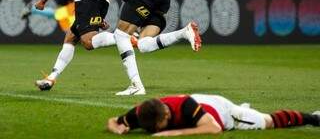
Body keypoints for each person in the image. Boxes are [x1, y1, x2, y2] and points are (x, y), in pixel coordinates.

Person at [107, 93, 320, 136]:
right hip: (204, 104)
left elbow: (214, 129)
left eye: (157, 127)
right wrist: (118, 128)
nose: (154, 130)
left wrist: (173, 134)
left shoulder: (184, 106)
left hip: (224, 113)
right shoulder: (143, 113)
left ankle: (314, 117)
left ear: (165, 115)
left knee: (269, 122)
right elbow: (113, 122)